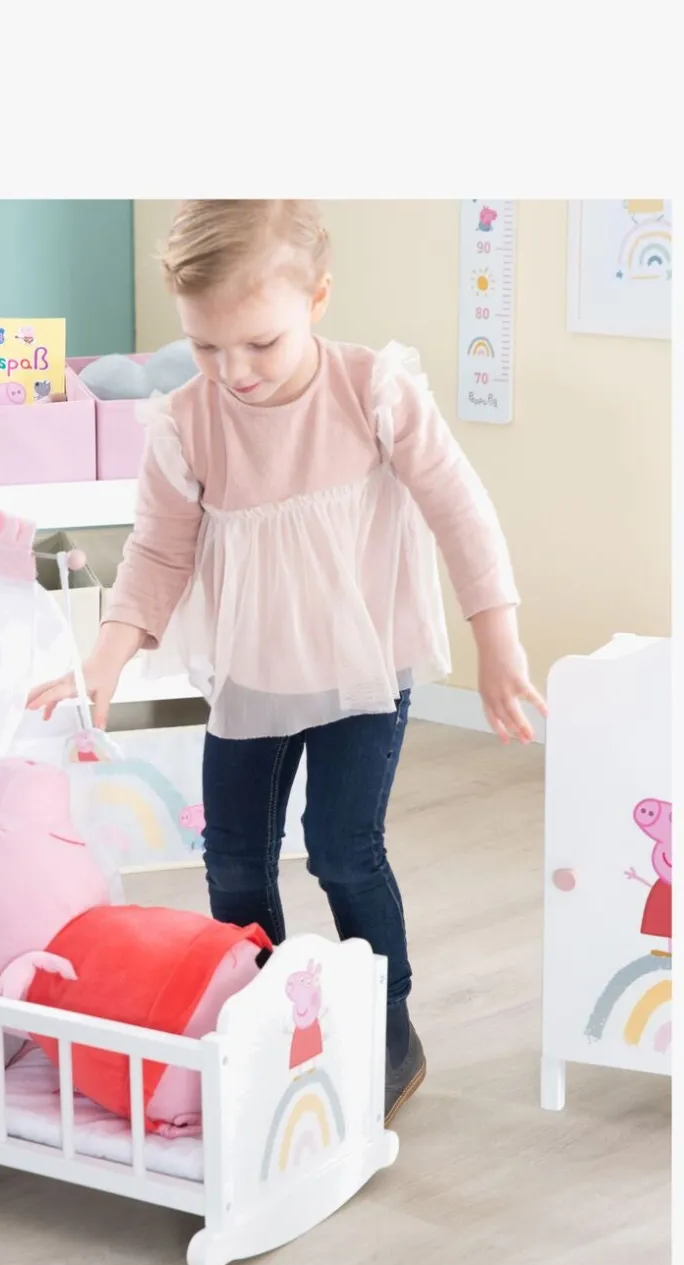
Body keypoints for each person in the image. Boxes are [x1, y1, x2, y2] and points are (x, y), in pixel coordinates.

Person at [28, 199, 546, 1123]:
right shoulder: (187, 422)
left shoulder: (373, 389)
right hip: (253, 676)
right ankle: (259, 1016)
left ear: (317, 298)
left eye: (260, 343)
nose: (235, 371)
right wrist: (105, 657)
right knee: (233, 861)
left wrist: (497, 639)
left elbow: (458, 508)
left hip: (361, 669)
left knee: (345, 851)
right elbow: (157, 553)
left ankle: (387, 1024)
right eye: (206, 346)